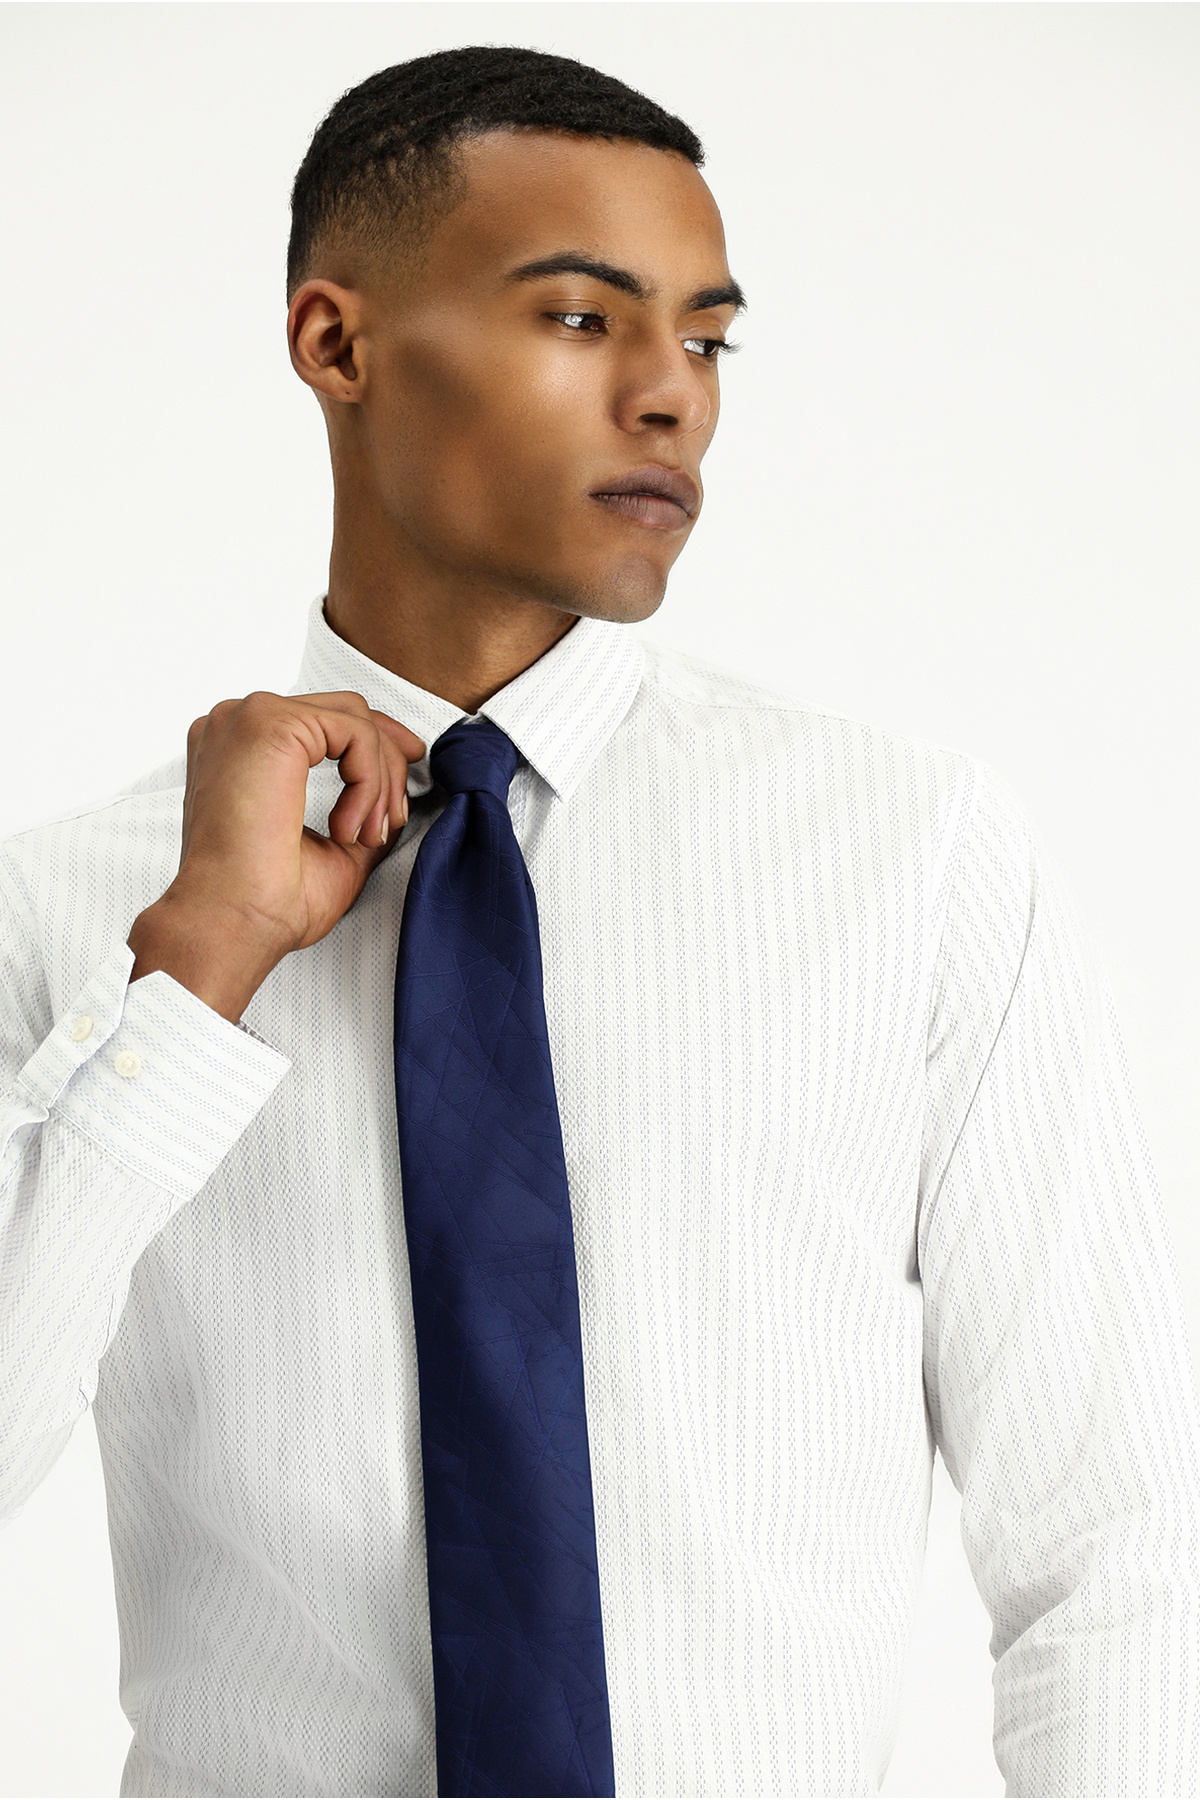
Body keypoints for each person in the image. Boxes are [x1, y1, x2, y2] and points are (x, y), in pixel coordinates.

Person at [1, 42, 1197, 1800]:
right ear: (336, 342)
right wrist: (191, 982)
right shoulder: (71, 909)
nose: (671, 399)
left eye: (706, 341)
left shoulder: (907, 855)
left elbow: (1115, 1548)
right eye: (582, 318)